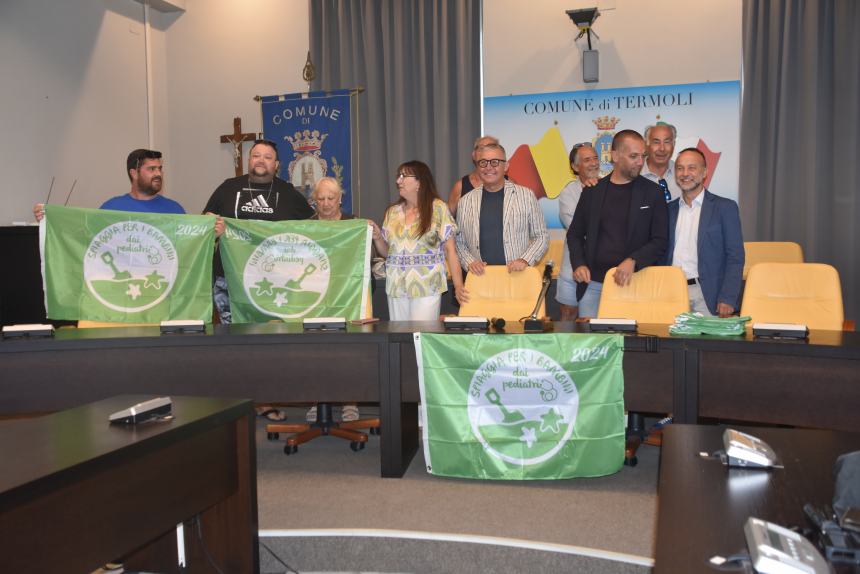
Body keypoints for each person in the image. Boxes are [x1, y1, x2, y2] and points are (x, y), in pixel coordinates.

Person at [203, 139, 314, 422]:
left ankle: (265, 399)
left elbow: (314, 230)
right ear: (249, 160)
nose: (260, 160)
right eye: (256, 156)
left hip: (272, 283)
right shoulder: (228, 188)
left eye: (267, 157)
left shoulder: (289, 195)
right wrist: (212, 229)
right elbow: (204, 223)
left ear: (276, 165)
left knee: (267, 342)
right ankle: (237, 402)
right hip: (228, 279)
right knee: (234, 342)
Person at [567, 129, 669, 319]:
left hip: (635, 283)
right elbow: (574, 234)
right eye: (633, 156)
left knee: (630, 345)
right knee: (591, 345)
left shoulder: (653, 193)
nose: (640, 162)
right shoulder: (592, 191)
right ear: (614, 156)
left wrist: (633, 260)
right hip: (594, 285)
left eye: (642, 156)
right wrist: (579, 264)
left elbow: (660, 240)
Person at [372, 160, 467, 320]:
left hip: (426, 285)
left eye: (403, 176)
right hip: (396, 286)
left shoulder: (438, 208)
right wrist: (377, 237)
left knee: (421, 336)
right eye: (398, 176)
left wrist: (458, 286)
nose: (398, 181)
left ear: (419, 182)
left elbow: (451, 251)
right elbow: (388, 253)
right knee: (399, 338)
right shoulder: (392, 212)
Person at [306, 176, 367, 423]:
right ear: (314, 201)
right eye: (320, 199)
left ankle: (350, 400)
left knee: (348, 351)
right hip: (315, 298)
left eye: (331, 198)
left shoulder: (354, 223)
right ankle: (317, 400)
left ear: (341, 198)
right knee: (313, 351)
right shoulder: (305, 226)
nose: (326, 203)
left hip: (348, 295)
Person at [666, 148, 744, 317]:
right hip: (670, 294)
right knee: (670, 344)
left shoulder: (725, 208)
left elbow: (735, 256)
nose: (685, 173)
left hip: (709, 296)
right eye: (680, 168)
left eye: (692, 168)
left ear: (704, 173)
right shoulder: (667, 210)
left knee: (709, 344)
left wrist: (728, 297)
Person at [455, 143, 549, 276]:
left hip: (517, 277)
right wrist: (469, 261)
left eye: (495, 162)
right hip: (480, 279)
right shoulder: (465, 201)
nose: (488, 167)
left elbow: (541, 236)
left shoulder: (526, 196)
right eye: (483, 162)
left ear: (506, 166)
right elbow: (459, 242)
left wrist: (525, 260)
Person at [33, 149, 184, 221]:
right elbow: (82, 235)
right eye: (151, 169)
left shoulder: (175, 210)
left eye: (160, 169)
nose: (158, 173)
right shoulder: (112, 208)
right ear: (134, 173)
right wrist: (50, 218)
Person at [556, 142, 600, 321]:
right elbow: (578, 229)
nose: (593, 163)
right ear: (575, 167)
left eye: (595, 158)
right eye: (587, 160)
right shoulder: (568, 193)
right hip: (572, 266)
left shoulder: (610, 186)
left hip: (600, 268)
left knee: (593, 320)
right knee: (568, 316)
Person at [447, 135, 500, 216]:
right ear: (474, 155)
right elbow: (447, 220)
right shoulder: (460, 187)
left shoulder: (510, 184)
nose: (487, 153)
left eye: (492, 148)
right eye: (482, 149)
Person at [640, 123, 681, 202]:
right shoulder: (634, 174)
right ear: (646, 144)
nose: (662, 148)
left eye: (667, 142)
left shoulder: (682, 173)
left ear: (674, 144)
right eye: (656, 142)